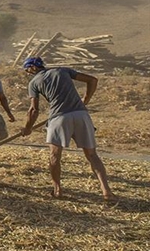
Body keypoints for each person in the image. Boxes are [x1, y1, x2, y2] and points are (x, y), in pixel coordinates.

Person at [20, 57, 114, 201]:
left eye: (27, 70)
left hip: (59, 118)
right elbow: (92, 80)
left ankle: (57, 190)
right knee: (92, 155)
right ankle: (106, 191)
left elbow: (33, 110)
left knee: (55, 156)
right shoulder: (62, 70)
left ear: (32, 68)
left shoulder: (33, 83)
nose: (27, 73)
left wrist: (27, 128)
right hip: (81, 115)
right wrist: (85, 101)